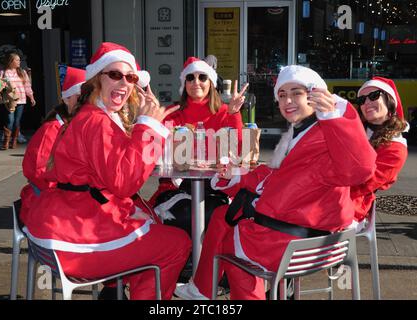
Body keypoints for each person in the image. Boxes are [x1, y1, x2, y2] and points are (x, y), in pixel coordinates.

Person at [174, 65, 377, 300]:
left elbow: (360, 170)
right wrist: (234, 177)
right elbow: (275, 176)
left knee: (229, 241)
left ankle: (204, 289)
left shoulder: (327, 134)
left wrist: (336, 117)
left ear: (315, 95)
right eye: (282, 95)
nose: (288, 100)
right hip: (312, 235)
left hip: (300, 242)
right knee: (222, 215)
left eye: (296, 93)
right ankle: (201, 288)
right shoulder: (302, 132)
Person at [24, 42, 191, 300]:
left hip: (57, 229)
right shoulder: (96, 121)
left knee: (151, 230)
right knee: (178, 243)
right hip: (73, 242)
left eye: (130, 77)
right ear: (96, 80)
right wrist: (148, 127)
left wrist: (148, 128)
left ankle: (117, 293)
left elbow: (119, 166)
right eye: (114, 74)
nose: (124, 82)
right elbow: (125, 183)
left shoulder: (93, 116)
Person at [148, 56, 248, 236]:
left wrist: (234, 114)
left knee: (212, 214)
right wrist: (150, 120)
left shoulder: (225, 111)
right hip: (175, 188)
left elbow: (238, 149)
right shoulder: (172, 113)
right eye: (190, 77)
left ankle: (203, 259)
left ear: (210, 82)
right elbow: (154, 150)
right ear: (184, 83)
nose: (196, 82)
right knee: (185, 215)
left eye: (202, 77)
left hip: (216, 187)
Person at [19, 66, 86, 227]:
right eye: (79, 97)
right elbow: (37, 171)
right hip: (46, 205)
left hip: (66, 200)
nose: (84, 102)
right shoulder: (53, 128)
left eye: (88, 97)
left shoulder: (79, 126)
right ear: (66, 98)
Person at [350, 77, 408, 231]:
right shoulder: (354, 129)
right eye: (362, 100)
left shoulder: (396, 148)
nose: (366, 102)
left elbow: (364, 185)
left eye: (374, 96)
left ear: (390, 101)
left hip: (350, 204)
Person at [0, 52, 36, 150]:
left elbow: (27, 86)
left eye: (19, 60)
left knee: (17, 121)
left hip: (21, 99)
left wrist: (31, 97)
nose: (19, 62)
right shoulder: (3, 72)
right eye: (17, 60)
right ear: (11, 61)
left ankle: (14, 141)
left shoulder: (22, 72)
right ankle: (6, 141)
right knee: (10, 120)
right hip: (9, 100)